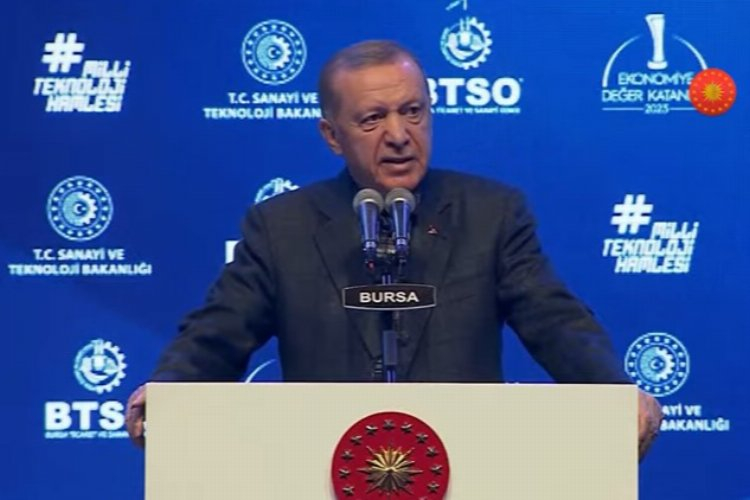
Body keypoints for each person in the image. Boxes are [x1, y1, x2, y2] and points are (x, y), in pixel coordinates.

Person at [126, 40, 662, 459]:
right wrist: (169, 390)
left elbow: (554, 320)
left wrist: (613, 391)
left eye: (413, 111)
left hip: (468, 464)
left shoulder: (491, 214)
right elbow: (220, 329)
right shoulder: (282, 227)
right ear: (331, 135)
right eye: (372, 119)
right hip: (322, 467)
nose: (400, 134)